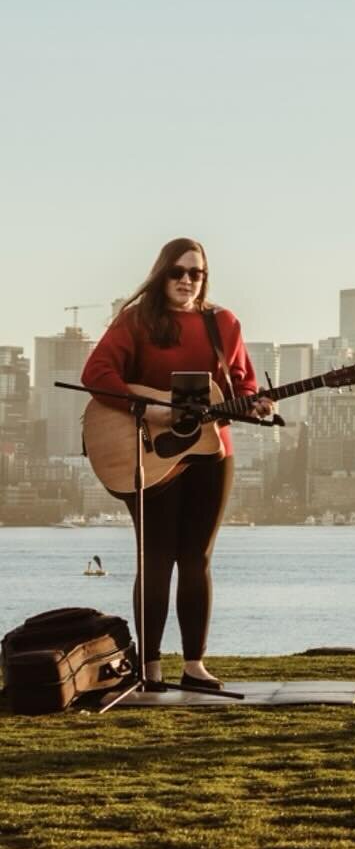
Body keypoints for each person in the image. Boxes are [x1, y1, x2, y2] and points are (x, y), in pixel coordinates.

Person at [81, 238, 272, 693]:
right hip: (148, 450)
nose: (187, 281)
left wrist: (257, 404)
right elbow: (97, 374)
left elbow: (242, 383)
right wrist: (145, 409)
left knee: (196, 559)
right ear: (161, 273)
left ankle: (194, 665)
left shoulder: (222, 323)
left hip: (210, 452)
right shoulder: (137, 322)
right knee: (156, 558)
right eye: (178, 272)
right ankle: (149, 668)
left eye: (196, 273)